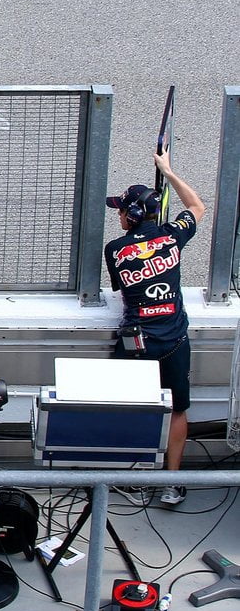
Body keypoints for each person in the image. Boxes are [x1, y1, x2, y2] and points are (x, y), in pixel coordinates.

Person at [106, 149, 205, 505]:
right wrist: (169, 171)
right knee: (178, 408)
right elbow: (197, 207)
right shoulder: (173, 236)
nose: (117, 214)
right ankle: (171, 482)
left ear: (131, 214)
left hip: (137, 342)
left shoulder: (115, 249)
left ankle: (134, 476)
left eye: (120, 209)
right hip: (175, 339)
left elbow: (122, 294)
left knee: (132, 407)